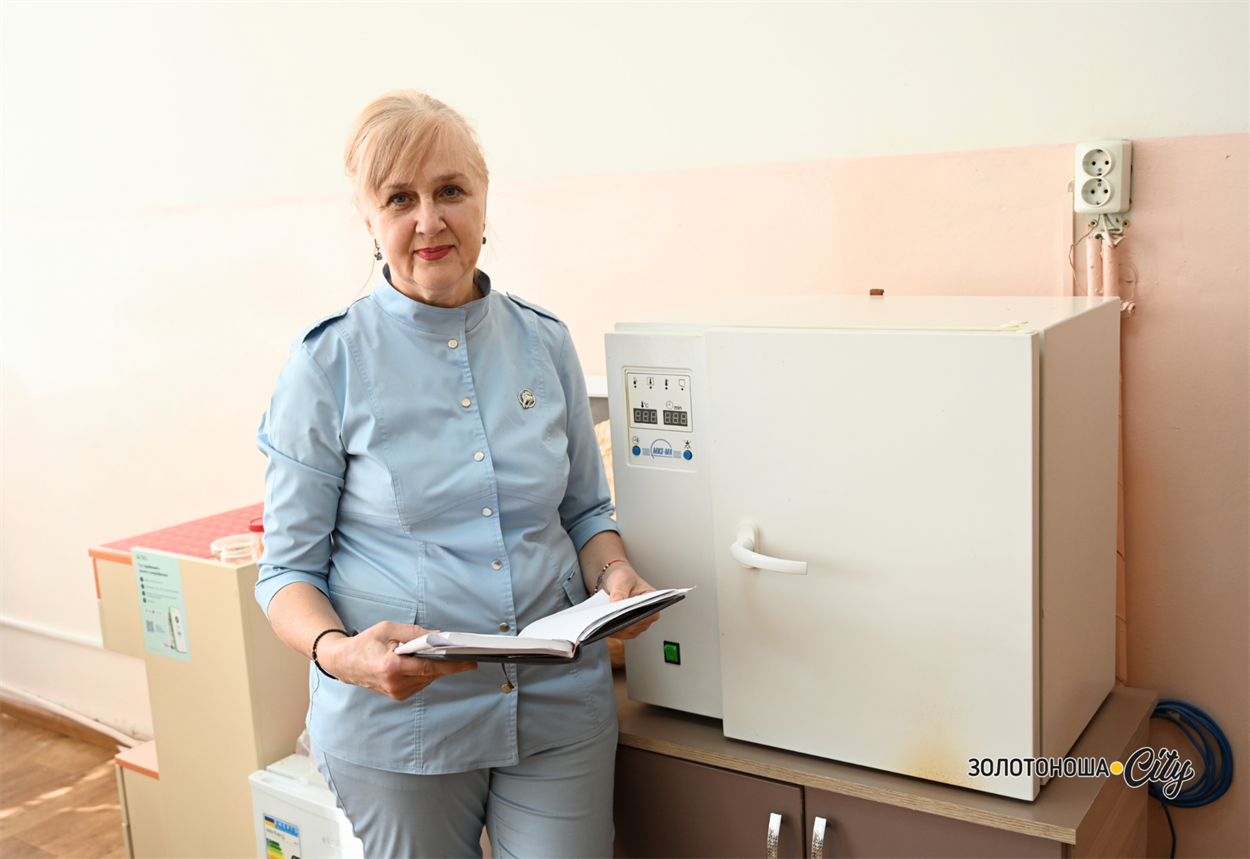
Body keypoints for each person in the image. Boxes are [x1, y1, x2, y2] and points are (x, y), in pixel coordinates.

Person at [255, 90, 659, 858]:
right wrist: (341, 653)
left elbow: (585, 512)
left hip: (556, 704)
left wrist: (614, 576)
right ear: (369, 220)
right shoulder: (326, 363)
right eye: (399, 199)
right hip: (400, 723)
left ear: (483, 199)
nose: (429, 220)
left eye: (449, 190)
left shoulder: (544, 342)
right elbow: (286, 573)